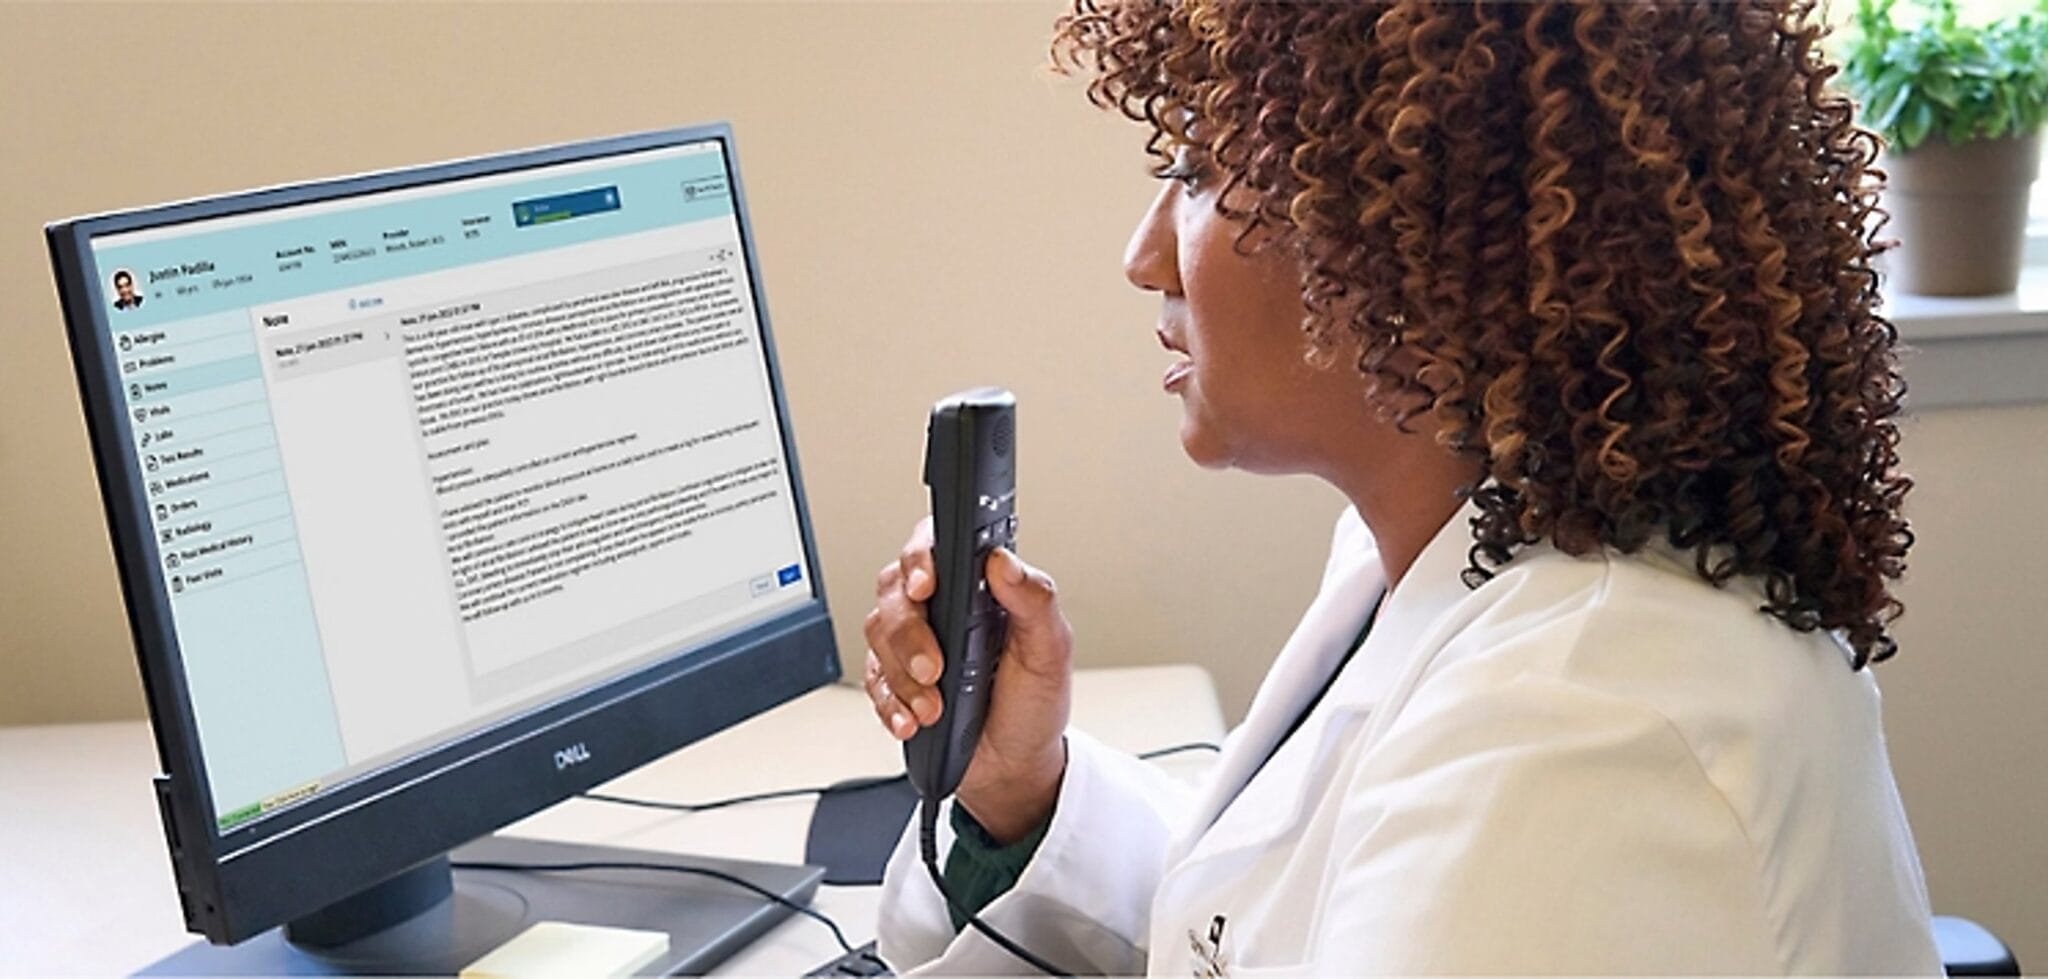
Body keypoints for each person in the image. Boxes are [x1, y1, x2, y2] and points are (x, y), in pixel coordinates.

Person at [862, 0, 1941, 973]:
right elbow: (1241, 927)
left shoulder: (1582, 729)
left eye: (1195, 170)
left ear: (1402, 224)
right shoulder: (1464, 556)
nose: (1143, 255)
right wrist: (1015, 784)